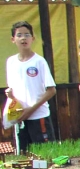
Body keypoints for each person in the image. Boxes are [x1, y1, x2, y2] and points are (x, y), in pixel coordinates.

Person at [5, 21, 56, 151]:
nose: (23, 38)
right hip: (20, 116)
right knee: (23, 154)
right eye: (19, 35)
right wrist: (10, 95)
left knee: (45, 154)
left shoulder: (39, 61)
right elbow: (13, 89)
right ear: (13, 39)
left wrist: (31, 110)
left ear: (32, 38)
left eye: (27, 35)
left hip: (39, 116)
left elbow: (51, 90)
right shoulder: (11, 62)